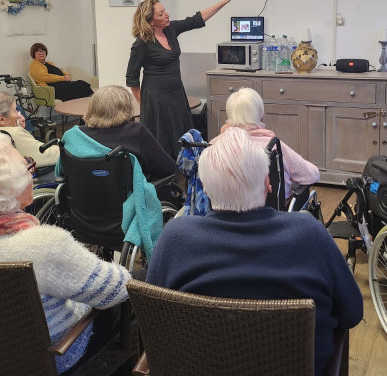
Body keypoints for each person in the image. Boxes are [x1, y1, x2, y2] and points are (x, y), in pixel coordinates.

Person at [146, 128, 362, 376]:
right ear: (268, 184)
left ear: (204, 187)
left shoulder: (175, 239)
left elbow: (155, 325)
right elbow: (352, 314)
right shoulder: (309, 234)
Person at [0, 132, 131, 374]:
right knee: (133, 300)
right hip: (52, 357)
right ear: (12, 187)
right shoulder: (43, 246)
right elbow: (118, 290)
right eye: (27, 165)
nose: (31, 171)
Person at [126, 0, 239, 157]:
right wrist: (146, 107)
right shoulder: (142, 43)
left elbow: (197, 19)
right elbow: (132, 80)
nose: (166, 15)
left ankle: (183, 169)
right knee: (162, 140)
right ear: (150, 21)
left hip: (176, 93)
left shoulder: (170, 30)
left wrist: (226, 0)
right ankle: (165, 175)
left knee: (182, 135)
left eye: (165, 11)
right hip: (156, 99)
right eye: (161, 13)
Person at [217, 87, 318, 199]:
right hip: (271, 209)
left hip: (226, 208)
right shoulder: (273, 146)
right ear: (260, 112)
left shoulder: (214, 146)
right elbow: (311, 175)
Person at [60, 85, 175, 181]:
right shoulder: (136, 132)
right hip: (127, 199)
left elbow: (62, 170)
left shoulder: (74, 135)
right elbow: (167, 168)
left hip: (81, 200)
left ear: (92, 108)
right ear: (126, 108)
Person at [0, 91, 59, 169]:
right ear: (1, 119)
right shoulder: (13, 135)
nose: (19, 114)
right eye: (15, 110)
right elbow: (51, 155)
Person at [28, 43, 93, 101]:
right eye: (37, 51)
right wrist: (64, 78)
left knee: (81, 85)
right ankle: (93, 105)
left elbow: (60, 71)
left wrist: (68, 75)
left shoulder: (48, 63)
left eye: (42, 50)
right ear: (34, 54)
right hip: (53, 89)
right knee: (81, 84)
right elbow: (45, 77)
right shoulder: (35, 65)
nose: (41, 53)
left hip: (62, 85)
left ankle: (88, 105)